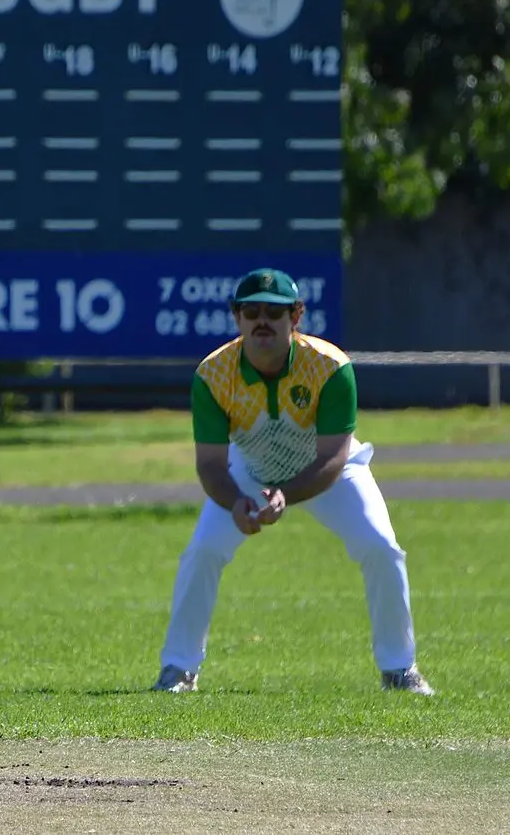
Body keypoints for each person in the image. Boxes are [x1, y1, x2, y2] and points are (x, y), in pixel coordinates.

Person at [153, 267, 434, 696]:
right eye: (252, 312)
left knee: (382, 547)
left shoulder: (329, 366)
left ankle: (399, 669)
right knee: (202, 551)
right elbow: (210, 464)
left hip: (329, 471)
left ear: (296, 316)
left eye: (274, 312)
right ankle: (178, 669)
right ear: (237, 316)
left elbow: (333, 456)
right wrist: (235, 501)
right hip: (250, 469)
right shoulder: (213, 374)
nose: (262, 321)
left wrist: (286, 494)